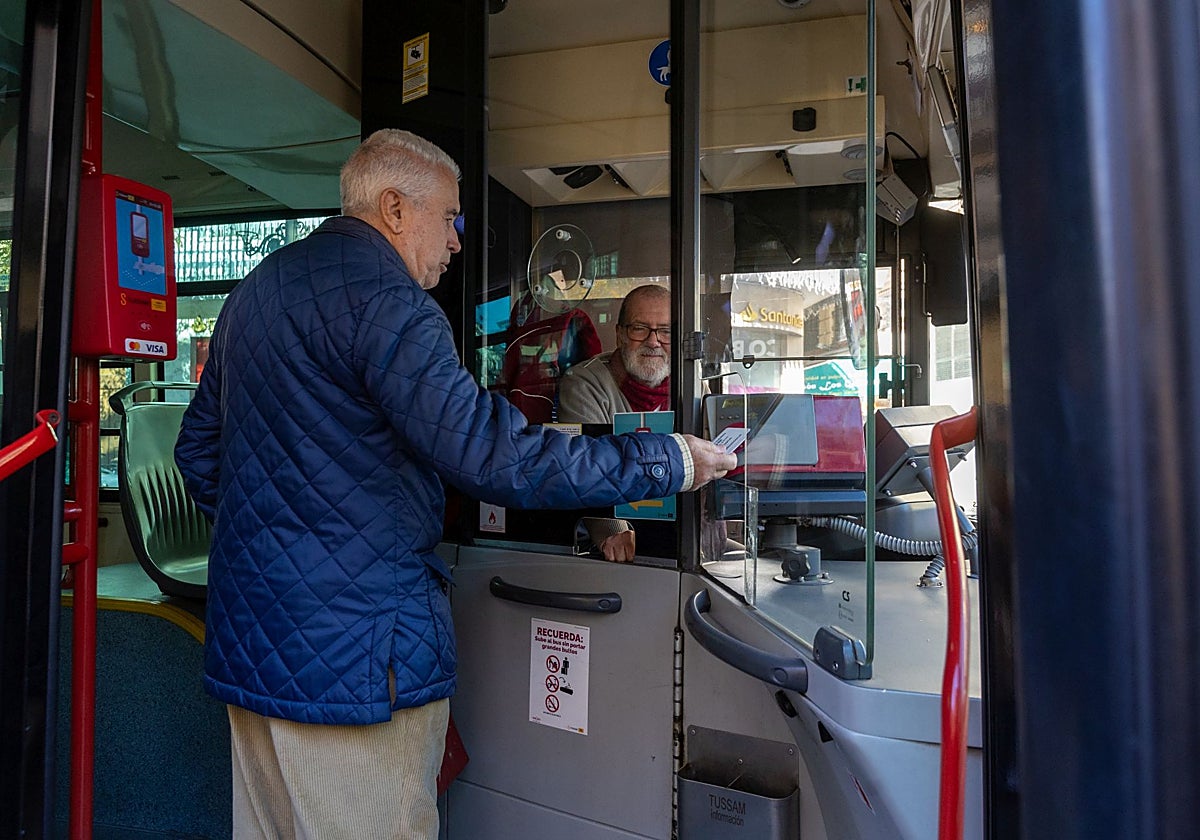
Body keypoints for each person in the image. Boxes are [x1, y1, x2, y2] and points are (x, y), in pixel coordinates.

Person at [174, 129, 735, 840]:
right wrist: (666, 461)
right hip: (356, 656)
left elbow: (197, 451)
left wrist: (283, 547)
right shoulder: (391, 305)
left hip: (251, 642)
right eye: (450, 218)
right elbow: (494, 456)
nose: (457, 241)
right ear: (394, 208)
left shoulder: (257, 291)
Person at [557, 284, 671, 562]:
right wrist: (613, 528)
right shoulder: (584, 383)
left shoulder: (690, 383)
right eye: (639, 328)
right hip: (614, 540)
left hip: (676, 535)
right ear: (620, 334)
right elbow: (587, 469)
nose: (654, 341)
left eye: (666, 331)